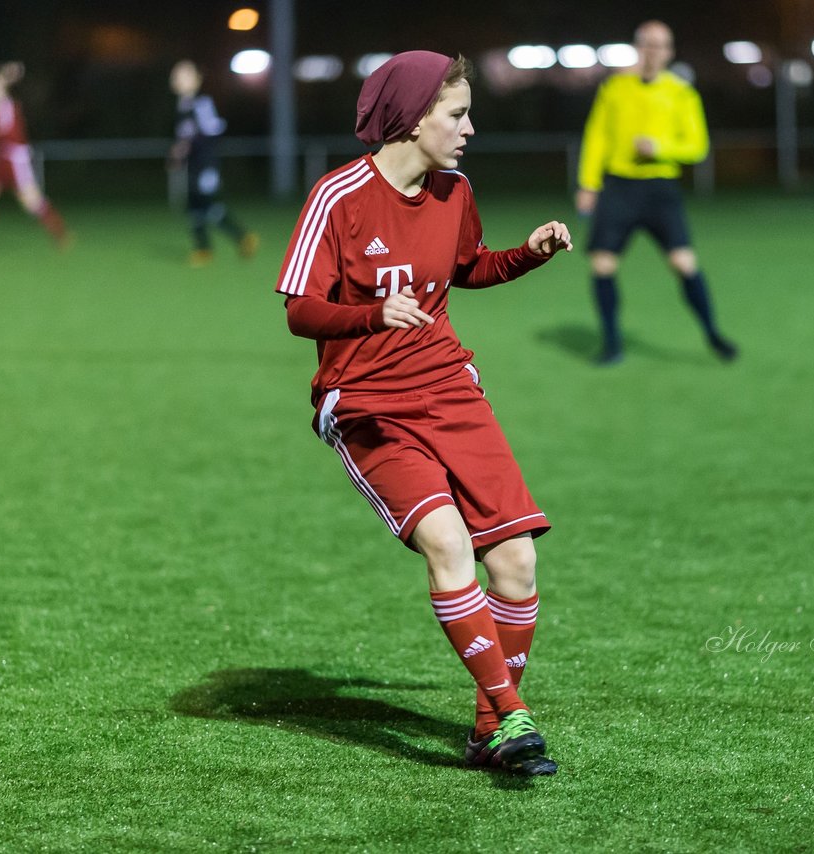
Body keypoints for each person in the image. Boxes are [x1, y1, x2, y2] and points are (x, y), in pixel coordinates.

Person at [273, 51, 572, 776]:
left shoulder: (455, 190)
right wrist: (373, 316)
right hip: (369, 403)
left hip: (450, 389)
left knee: (517, 560)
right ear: (412, 118)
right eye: (457, 114)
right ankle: (512, 716)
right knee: (448, 545)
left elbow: (467, 267)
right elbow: (299, 311)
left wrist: (525, 255)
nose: (469, 129)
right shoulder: (337, 197)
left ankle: (488, 732)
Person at [576, 20, 737, 365]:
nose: (652, 51)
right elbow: (596, 138)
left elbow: (697, 146)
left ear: (670, 52)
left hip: (660, 189)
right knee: (602, 264)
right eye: (646, 43)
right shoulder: (615, 89)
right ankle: (612, 345)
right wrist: (588, 184)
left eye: (660, 45)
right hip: (619, 186)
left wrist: (659, 148)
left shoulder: (681, 93)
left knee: (683, 262)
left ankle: (713, 334)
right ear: (637, 47)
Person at [0, 63, 69, 255]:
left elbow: (1, 137)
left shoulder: (6, 106)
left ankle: (61, 234)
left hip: (14, 160)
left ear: (1, 86)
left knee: (32, 202)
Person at [169, 60, 258, 268]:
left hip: (206, 164)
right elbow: (185, 137)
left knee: (206, 206)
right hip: (193, 165)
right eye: (175, 75)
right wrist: (179, 152)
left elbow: (212, 131)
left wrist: (188, 146)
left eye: (182, 74)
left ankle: (242, 237)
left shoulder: (202, 102)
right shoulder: (182, 105)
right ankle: (204, 249)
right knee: (194, 206)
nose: (175, 78)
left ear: (196, 79)